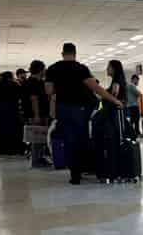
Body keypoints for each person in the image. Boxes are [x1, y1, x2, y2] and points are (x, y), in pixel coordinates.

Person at [45, 43, 123, 185]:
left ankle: (74, 173)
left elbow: (49, 92)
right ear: (75, 53)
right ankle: (82, 169)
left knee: (68, 140)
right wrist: (114, 100)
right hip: (79, 109)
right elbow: (96, 88)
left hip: (62, 108)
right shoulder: (80, 69)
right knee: (81, 139)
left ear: (62, 53)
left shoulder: (52, 69)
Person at [0, 71, 22, 156]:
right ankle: (13, 150)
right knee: (14, 131)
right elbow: (20, 95)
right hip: (11, 110)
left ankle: (2, 150)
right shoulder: (14, 85)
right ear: (10, 77)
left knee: (1, 131)